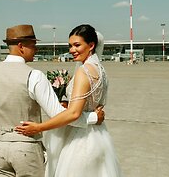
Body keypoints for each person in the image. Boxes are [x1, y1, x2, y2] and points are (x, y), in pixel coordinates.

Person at [0, 24, 105, 177]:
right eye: (33, 45)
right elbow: (57, 113)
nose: (36, 49)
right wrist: (93, 117)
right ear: (21, 46)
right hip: (26, 149)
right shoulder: (34, 76)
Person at [15, 24, 123, 177]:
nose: (72, 50)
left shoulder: (84, 71)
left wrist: (38, 128)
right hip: (99, 136)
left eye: (77, 45)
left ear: (91, 45)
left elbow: (73, 114)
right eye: (70, 45)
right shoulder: (100, 70)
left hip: (80, 140)